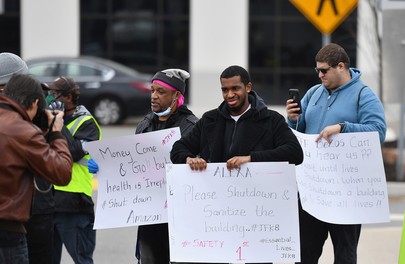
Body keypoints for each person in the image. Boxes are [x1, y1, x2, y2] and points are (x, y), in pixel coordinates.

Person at [286, 43, 387, 264]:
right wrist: (293, 119)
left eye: (324, 70)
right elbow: (299, 131)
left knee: (345, 255)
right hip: (312, 189)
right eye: (317, 71)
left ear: (340, 66)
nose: (319, 75)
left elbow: (378, 132)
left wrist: (343, 127)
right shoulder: (314, 93)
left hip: (346, 194)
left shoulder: (364, 95)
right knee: (303, 254)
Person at [88, 68, 198, 264]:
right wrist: (106, 167)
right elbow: (132, 167)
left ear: (177, 96)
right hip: (149, 219)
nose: (154, 96)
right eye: (152, 90)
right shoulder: (145, 124)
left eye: (161, 92)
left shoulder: (192, 127)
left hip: (180, 219)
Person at [170, 65, 303, 172]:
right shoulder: (209, 119)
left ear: (248, 87)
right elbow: (178, 149)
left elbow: (294, 153)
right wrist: (189, 159)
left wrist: (251, 159)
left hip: (258, 200)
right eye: (225, 90)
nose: (230, 94)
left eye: (235, 88)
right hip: (215, 199)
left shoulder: (272, 119)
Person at [0, 73, 73, 264]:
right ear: (33, 103)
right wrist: (56, 133)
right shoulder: (23, 131)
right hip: (8, 233)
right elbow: (62, 172)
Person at [45, 76, 102, 264]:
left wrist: (58, 124)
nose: (51, 98)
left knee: (82, 259)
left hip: (74, 202)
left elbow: (72, 152)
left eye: (55, 94)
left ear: (68, 97)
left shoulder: (87, 123)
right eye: (49, 93)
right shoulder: (47, 119)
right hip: (48, 200)